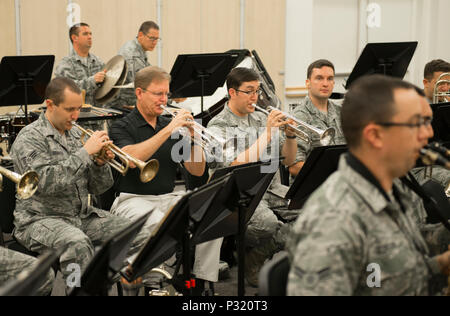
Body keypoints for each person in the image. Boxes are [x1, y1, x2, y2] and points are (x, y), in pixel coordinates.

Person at [287, 74, 450, 296]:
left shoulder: (392, 186)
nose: (429, 133)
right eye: (417, 123)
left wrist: (441, 263)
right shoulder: (333, 220)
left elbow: (396, 269)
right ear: (375, 135)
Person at [10, 77, 146, 290]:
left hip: (80, 216)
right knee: (77, 244)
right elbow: (44, 183)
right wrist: (85, 154)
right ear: (50, 105)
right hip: (40, 220)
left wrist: (100, 164)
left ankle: (98, 279)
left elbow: (99, 188)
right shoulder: (29, 138)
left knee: (137, 233)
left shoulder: (76, 134)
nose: (75, 116)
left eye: (79, 109)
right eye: (69, 109)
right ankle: (78, 290)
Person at [109, 66, 225, 294]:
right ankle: (154, 282)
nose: (164, 99)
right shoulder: (121, 126)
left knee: (211, 215)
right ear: (139, 93)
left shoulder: (168, 125)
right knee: (162, 223)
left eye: (166, 94)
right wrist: (170, 128)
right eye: (158, 94)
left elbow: (196, 169)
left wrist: (194, 139)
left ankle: (198, 281)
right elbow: (131, 159)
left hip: (168, 196)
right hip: (131, 200)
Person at [206, 67, 298, 287]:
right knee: (269, 225)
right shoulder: (217, 126)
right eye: (249, 91)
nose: (255, 97)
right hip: (239, 195)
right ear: (232, 92)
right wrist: (267, 134)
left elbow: (287, 159)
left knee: (313, 209)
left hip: (271, 189)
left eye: (257, 91)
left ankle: (258, 255)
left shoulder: (260, 117)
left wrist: (291, 135)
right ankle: (253, 260)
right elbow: (235, 164)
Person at [288, 59, 346, 177]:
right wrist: (332, 172)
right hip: (313, 188)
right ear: (308, 83)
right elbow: (294, 167)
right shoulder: (299, 116)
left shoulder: (341, 111)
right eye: (319, 78)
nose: (325, 83)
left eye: (330, 79)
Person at [109, 21, 160, 112]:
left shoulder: (140, 49)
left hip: (129, 104)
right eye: (152, 38)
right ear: (140, 35)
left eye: (157, 39)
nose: (155, 42)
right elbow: (142, 82)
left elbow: (149, 71)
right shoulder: (132, 53)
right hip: (122, 107)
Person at [54, 23, 106, 109]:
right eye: (85, 34)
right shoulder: (65, 64)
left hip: (97, 118)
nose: (89, 37)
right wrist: (93, 81)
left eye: (90, 34)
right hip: (77, 118)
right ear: (74, 38)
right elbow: (69, 91)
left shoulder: (98, 62)